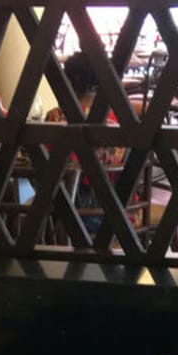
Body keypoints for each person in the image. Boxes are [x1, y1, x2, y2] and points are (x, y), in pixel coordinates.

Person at [51, 51, 129, 236]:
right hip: (117, 209)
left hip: (73, 209)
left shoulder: (56, 117)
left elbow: (45, 163)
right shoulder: (119, 117)